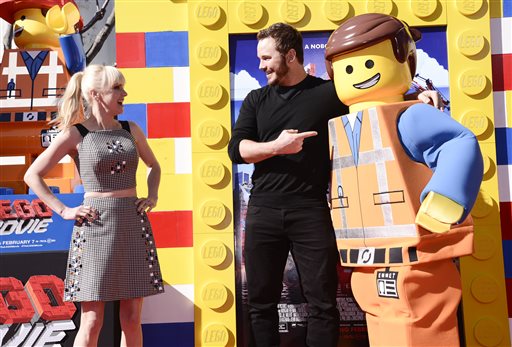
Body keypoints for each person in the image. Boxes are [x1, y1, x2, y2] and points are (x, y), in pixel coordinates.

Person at [227, 22, 443, 347]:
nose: (261, 65)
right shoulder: (257, 99)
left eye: (267, 58)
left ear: (290, 56)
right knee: (260, 304)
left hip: (310, 211)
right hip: (263, 212)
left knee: (323, 304)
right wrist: (277, 147)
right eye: (258, 58)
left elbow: (373, 100)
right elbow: (237, 150)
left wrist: (416, 96)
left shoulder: (328, 93)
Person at [324, 13, 482, 346]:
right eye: (348, 68)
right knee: (385, 326)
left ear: (406, 58)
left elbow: (459, 143)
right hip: (369, 261)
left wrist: (447, 197)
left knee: (420, 322)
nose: (358, 74)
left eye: (368, 62)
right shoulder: (348, 127)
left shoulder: (410, 117)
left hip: (415, 257)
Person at [24, 64, 164, 347]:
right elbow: (32, 175)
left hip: (132, 226)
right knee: (91, 319)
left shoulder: (131, 129)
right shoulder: (75, 134)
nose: (124, 93)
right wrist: (64, 210)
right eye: (117, 88)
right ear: (96, 94)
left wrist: (152, 196)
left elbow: (154, 166)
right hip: (94, 228)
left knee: (132, 317)